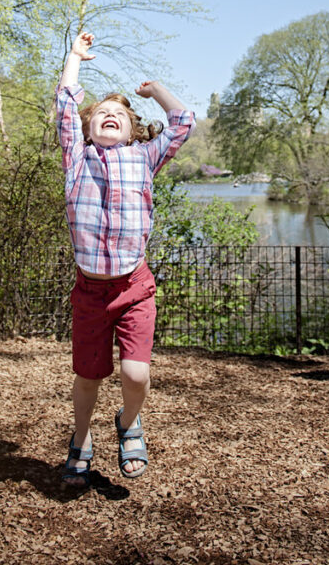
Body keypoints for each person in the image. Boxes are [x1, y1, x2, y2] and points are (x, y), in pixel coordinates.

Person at [56, 31, 195, 488]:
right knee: (88, 377)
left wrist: (154, 91)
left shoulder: (144, 157)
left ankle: (129, 422)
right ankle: (81, 439)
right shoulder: (77, 159)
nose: (109, 116)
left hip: (134, 286)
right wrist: (75, 58)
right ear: (88, 126)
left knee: (135, 372)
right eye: (101, 114)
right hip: (91, 292)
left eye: (119, 114)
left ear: (133, 129)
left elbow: (182, 122)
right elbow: (64, 104)